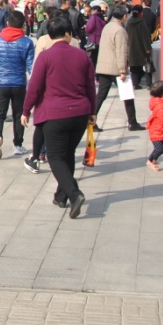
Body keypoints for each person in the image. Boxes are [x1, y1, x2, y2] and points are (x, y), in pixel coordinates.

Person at [22, 16, 97, 219]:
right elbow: (90, 86)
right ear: (67, 34)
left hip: (54, 114)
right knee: (67, 154)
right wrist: (92, 111)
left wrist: (26, 110)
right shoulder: (82, 55)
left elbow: (34, 87)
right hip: (80, 113)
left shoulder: (45, 57)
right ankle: (61, 196)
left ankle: (74, 194)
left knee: (55, 157)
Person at [0, 8, 34, 160]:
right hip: (19, 83)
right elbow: (31, 66)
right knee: (19, 114)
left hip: (1, 82)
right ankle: (18, 145)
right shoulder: (27, 42)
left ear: (8, 23)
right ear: (23, 24)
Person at [94, 4, 144, 130]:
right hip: (115, 68)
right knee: (127, 96)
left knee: (100, 96)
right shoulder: (120, 30)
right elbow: (121, 51)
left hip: (104, 66)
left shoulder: (108, 26)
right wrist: (123, 70)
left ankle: (91, 121)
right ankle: (132, 122)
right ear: (124, 16)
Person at [126, 6, 154, 90]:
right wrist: (147, 48)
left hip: (131, 47)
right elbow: (145, 36)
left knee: (134, 67)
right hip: (141, 47)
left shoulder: (129, 22)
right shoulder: (142, 22)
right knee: (147, 65)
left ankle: (135, 84)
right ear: (140, 13)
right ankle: (149, 84)